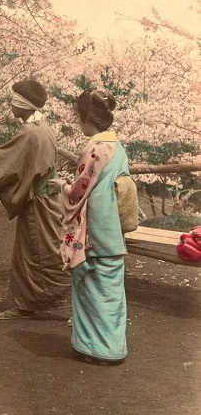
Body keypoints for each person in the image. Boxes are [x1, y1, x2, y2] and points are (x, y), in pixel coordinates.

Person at [0, 79, 70, 320]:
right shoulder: (42, 126)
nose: (10, 106)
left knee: (41, 253)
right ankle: (27, 304)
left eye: (14, 101)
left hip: (40, 202)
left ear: (25, 105)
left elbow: (2, 157)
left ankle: (65, 303)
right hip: (45, 199)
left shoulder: (30, 132)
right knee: (33, 252)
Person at [50, 90, 131, 365]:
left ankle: (91, 347)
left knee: (89, 285)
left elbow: (79, 190)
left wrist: (63, 186)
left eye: (78, 116)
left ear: (86, 118)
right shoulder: (117, 146)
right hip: (113, 225)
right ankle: (113, 348)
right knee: (110, 289)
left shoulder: (95, 148)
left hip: (95, 224)